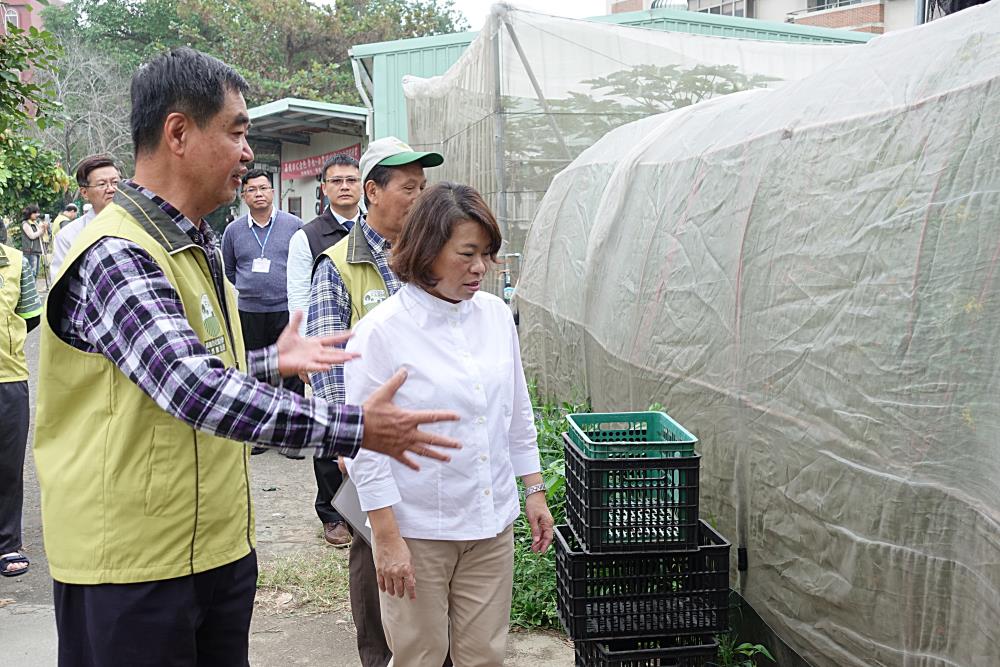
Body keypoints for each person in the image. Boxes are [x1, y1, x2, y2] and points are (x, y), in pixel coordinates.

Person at [33, 47, 460, 667]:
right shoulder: (117, 254)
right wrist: (357, 426)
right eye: (236, 131)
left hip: (213, 549)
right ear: (178, 132)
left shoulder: (195, 245)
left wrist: (265, 363)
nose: (247, 152)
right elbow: (190, 387)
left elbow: (172, 372)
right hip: (131, 565)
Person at [345, 182, 554, 667]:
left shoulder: (496, 316)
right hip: (419, 530)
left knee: (484, 654)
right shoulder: (382, 332)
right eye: (467, 253)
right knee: (421, 653)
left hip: (490, 521)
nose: (480, 267)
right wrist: (387, 537)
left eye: (486, 254)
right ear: (428, 249)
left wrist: (534, 489)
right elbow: (364, 445)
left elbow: (515, 409)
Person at [307, 136, 444, 667]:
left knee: (431, 551)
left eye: (423, 187)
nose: (419, 197)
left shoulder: (430, 257)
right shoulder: (338, 264)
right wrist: (348, 440)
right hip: (370, 439)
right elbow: (327, 362)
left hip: (428, 435)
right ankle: (380, 656)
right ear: (373, 192)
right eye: (409, 187)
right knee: (376, 550)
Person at [287, 153, 363, 547]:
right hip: (325, 345)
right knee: (329, 426)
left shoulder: (375, 228)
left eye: (351, 179)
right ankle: (333, 514)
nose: (345, 186)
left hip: (367, 346)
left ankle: (366, 505)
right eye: (337, 181)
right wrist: (301, 349)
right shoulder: (308, 236)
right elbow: (298, 296)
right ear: (325, 188)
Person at [222, 170, 304, 398]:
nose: (258, 194)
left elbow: (302, 266)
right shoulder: (233, 231)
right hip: (249, 312)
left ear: (272, 192)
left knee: (290, 366)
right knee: (254, 368)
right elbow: (228, 269)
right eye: (251, 190)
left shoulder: (294, 225)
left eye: (263, 188)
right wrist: (249, 287)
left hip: (284, 310)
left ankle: (293, 415)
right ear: (243, 196)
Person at [0, 240, 43, 577]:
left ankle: (7, 543)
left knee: (8, 465)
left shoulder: (15, 262)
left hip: (8, 378)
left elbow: (30, 317)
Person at [51, 155, 122, 277]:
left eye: (115, 182)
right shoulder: (68, 237)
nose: (111, 189)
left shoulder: (140, 225)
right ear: (84, 192)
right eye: (102, 184)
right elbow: (61, 286)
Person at [19, 205, 46, 279]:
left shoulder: (35, 223)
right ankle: (32, 290)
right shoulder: (25, 224)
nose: (37, 215)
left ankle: (34, 289)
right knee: (32, 273)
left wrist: (44, 229)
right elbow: (32, 236)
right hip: (30, 251)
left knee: (36, 273)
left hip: (36, 250)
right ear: (29, 213)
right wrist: (41, 230)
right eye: (35, 213)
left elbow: (39, 235)